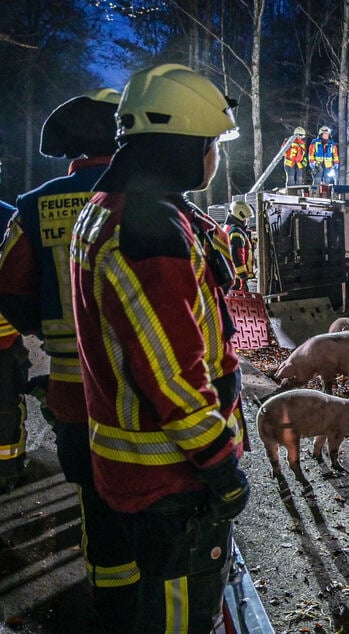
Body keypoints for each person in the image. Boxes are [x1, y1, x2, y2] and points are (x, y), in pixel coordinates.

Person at [69, 63, 249, 633]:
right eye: (211, 143)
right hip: (173, 474)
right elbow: (171, 372)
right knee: (179, 618)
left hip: (138, 463)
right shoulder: (149, 231)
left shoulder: (114, 206)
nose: (214, 156)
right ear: (183, 145)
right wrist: (220, 465)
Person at [0, 89, 140, 629]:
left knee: (97, 504)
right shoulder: (150, 198)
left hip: (72, 392)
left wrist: (52, 327)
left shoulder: (33, 207)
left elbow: (9, 293)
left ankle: (111, 610)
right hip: (148, 393)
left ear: (67, 150)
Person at [0, 200, 28, 493]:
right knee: (6, 405)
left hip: (4, 335)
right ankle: (8, 468)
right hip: (3, 335)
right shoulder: (9, 216)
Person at [223, 200, 255, 292]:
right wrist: (243, 276)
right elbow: (236, 256)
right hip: (237, 279)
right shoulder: (236, 233)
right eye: (247, 218)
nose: (248, 221)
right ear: (240, 215)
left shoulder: (229, 228)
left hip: (230, 276)